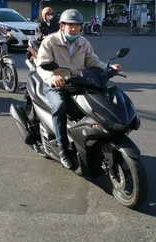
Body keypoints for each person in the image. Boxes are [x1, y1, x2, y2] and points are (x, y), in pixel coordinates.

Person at [36, 9, 122, 170]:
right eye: (71, 26)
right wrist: (52, 78)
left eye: (77, 26)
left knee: (98, 103)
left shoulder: (83, 42)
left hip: (79, 82)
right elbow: (42, 65)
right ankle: (63, 149)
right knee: (60, 106)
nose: (74, 29)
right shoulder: (50, 41)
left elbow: (93, 61)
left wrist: (109, 68)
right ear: (62, 26)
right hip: (57, 84)